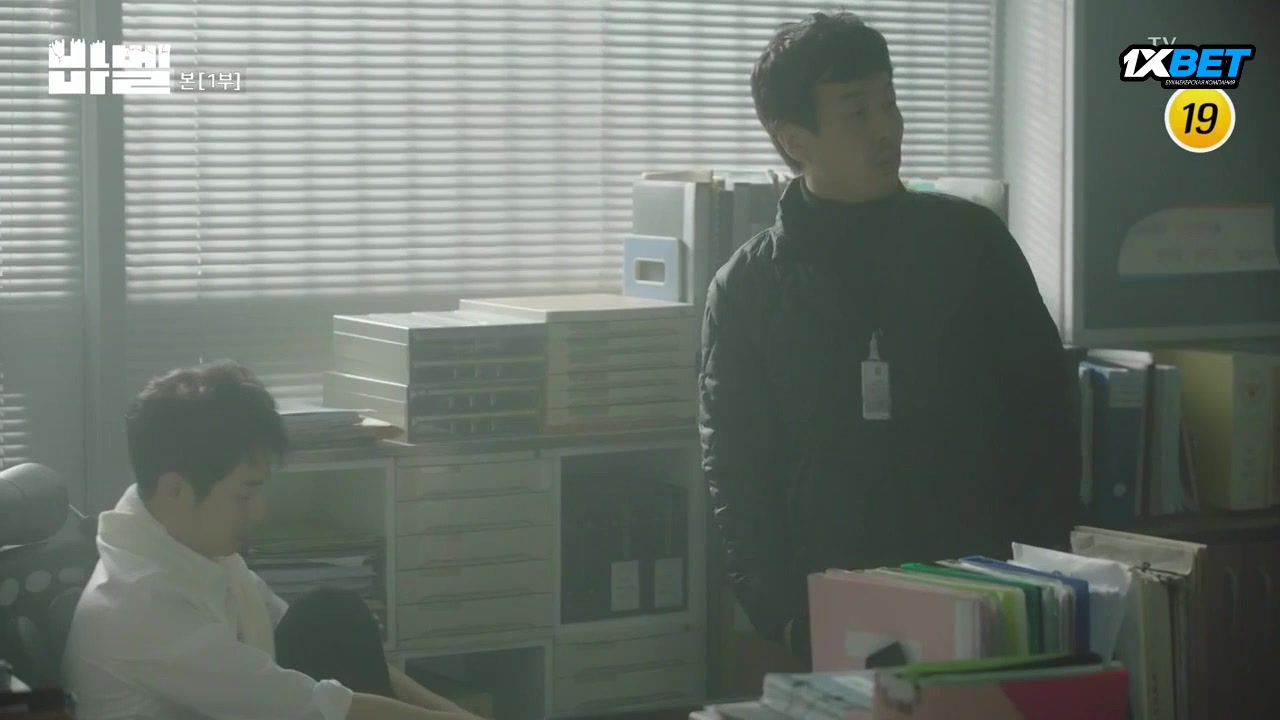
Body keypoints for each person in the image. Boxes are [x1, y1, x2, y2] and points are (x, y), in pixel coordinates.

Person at [698, 12, 1079, 665]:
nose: (888, 128)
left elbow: (1045, 415)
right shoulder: (748, 289)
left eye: (889, 102)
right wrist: (782, 615)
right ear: (795, 139)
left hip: (988, 587)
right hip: (838, 601)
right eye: (857, 112)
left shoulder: (972, 245)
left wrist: (1044, 570)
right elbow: (737, 469)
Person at [63, 360, 484, 720]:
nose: (258, 512)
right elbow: (317, 706)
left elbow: (319, 650)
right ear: (176, 490)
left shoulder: (189, 548)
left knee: (329, 616)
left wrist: (456, 713)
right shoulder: (142, 603)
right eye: (244, 494)